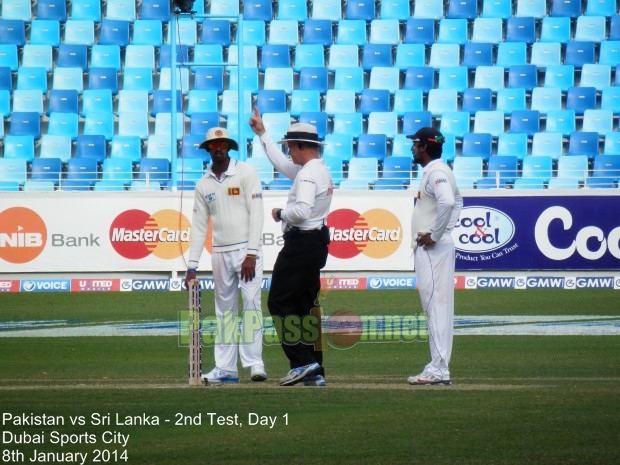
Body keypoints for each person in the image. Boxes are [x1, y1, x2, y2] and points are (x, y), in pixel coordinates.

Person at [249, 108, 334, 387]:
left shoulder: (308, 175)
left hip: (301, 243)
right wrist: (263, 134)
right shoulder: (316, 169)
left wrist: (281, 213)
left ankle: (302, 362)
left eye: (290, 148)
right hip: (315, 243)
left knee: (279, 301)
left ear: (300, 146)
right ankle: (313, 368)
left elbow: (301, 210)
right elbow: (283, 165)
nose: (289, 153)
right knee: (302, 306)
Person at [185, 127, 267, 384]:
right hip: (219, 253)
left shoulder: (245, 172)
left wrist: (251, 254)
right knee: (224, 312)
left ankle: (255, 364)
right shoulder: (203, 183)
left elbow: (258, 213)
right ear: (208, 149)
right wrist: (192, 266)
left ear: (228, 146)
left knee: (252, 306)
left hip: (247, 250)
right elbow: (199, 226)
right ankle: (226, 369)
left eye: (222, 143)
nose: (218, 148)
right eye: (213, 145)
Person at [407, 127, 463, 386]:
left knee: (435, 307)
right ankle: (439, 367)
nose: (412, 148)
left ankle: (439, 370)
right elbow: (458, 201)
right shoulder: (441, 171)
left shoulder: (437, 172)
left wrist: (435, 234)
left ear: (425, 147)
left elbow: (449, 203)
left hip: (432, 249)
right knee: (438, 306)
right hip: (436, 246)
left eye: (415, 144)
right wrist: (444, 231)